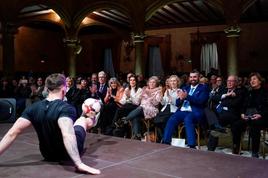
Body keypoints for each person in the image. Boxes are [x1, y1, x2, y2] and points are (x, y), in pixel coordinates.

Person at [0, 73, 100, 175]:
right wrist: (79, 163)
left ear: (47, 89)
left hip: (47, 154)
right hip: (66, 155)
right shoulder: (66, 108)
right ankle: (92, 119)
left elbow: (12, 133)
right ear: (64, 89)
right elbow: (67, 135)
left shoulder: (33, 108)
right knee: (82, 121)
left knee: (71, 126)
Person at [162, 70, 209, 148]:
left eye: (195, 77)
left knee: (188, 119)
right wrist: (180, 99)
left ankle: (191, 145)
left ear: (198, 78)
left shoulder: (204, 88)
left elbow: (201, 101)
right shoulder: (185, 88)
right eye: (191, 77)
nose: (192, 78)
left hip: (195, 111)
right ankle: (166, 141)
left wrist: (187, 96)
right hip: (183, 110)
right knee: (172, 118)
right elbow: (177, 103)